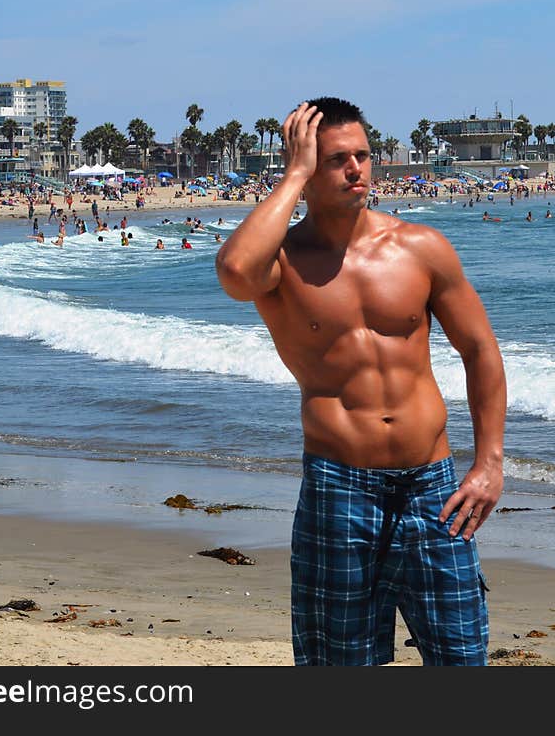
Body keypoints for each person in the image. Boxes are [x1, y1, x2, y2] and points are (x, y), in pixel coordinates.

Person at [216, 98, 506, 666]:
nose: (356, 169)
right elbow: (234, 273)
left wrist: (489, 462)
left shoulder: (420, 248)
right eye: (335, 159)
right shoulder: (285, 263)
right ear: (304, 167)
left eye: (363, 156)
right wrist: (294, 176)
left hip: (433, 490)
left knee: (462, 657)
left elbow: (480, 350)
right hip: (339, 489)